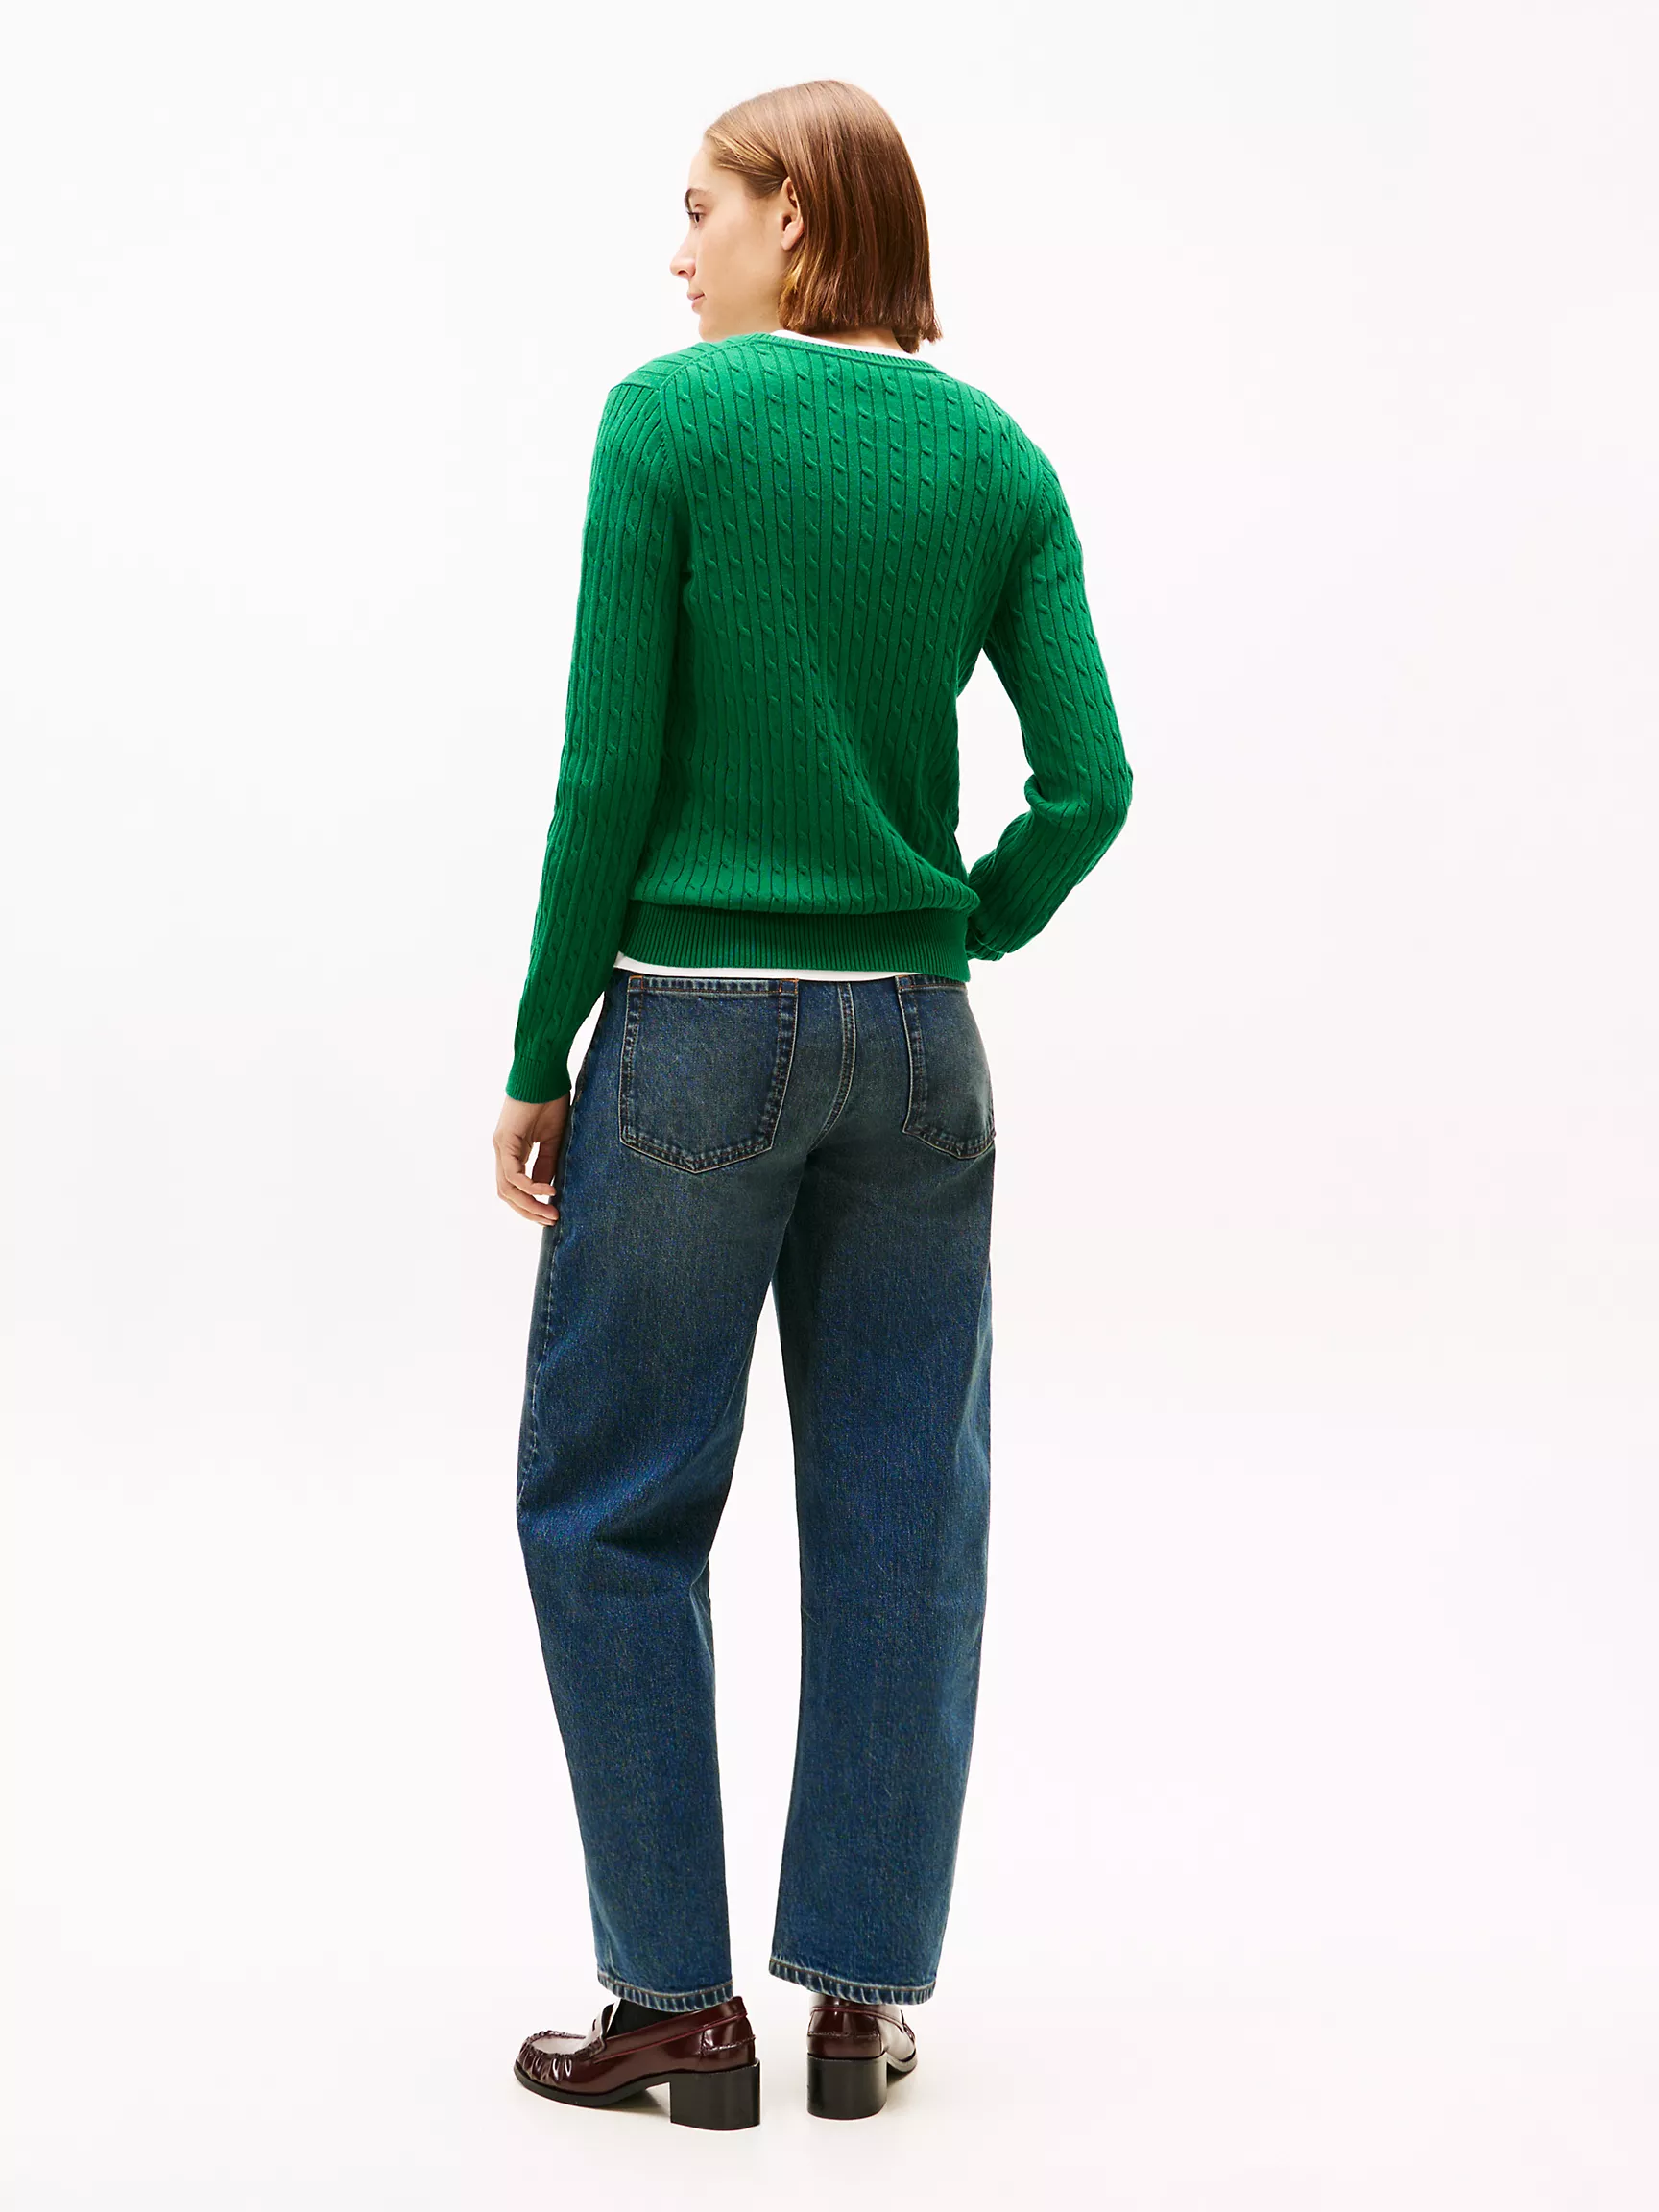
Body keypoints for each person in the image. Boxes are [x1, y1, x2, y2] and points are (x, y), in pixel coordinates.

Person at [492, 78, 1133, 2129]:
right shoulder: (997, 456)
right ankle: (857, 2003)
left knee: (614, 1506)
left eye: (703, 205)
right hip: (920, 1050)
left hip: (693, 1032)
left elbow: (607, 770)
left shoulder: (669, 425)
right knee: (901, 1514)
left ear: (802, 219)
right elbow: (1092, 783)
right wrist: (960, 923)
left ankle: (678, 2009)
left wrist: (539, 1051)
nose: (678, 249)